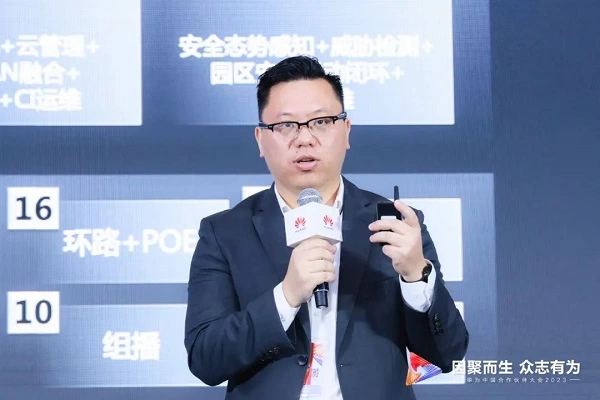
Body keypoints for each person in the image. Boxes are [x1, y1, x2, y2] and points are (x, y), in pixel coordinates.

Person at [184, 55, 468, 400]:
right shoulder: (224, 233)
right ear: (260, 139)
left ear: (346, 131)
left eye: (321, 121)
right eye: (286, 125)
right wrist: (286, 296)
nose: (304, 139)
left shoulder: (396, 224)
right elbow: (205, 359)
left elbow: (448, 353)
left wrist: (415, 276)